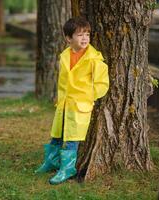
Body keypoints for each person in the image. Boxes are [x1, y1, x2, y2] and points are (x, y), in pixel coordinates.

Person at [35, 17, 109, 185]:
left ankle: (67, 169)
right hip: (64, 104)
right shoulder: (65, 56)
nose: (84, 38)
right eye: (79, 35)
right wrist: (60, 98)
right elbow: (62, 82)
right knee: (56, 135)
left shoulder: (94, 59)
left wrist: (88, 96)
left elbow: (102, 84)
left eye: (87, 34)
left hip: (80, 106)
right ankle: (51, 162)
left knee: (72, 139)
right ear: (68, 38)